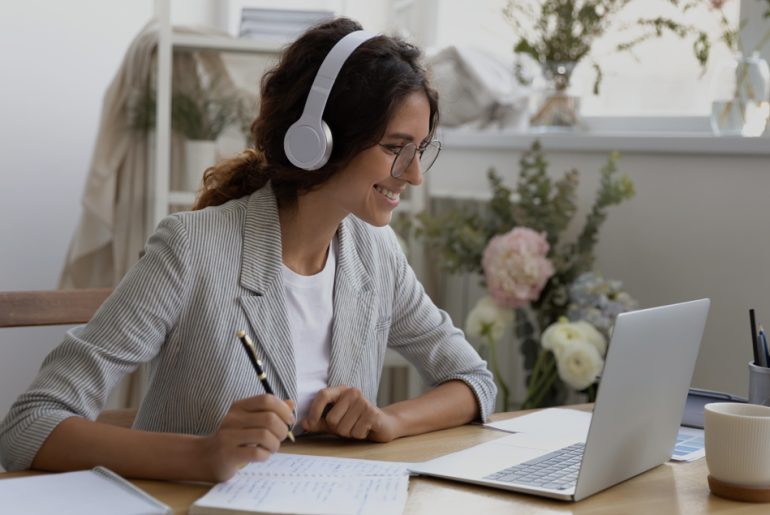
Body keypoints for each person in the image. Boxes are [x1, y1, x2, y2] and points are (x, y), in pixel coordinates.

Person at [0, 17, 496, 483]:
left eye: (421, 148)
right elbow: (28, 425)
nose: (414, 174)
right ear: (319, 140)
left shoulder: (377, 254)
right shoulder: (191, 249)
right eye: (395, 148)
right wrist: (203, 454)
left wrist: (389, 421)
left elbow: (473, 380)